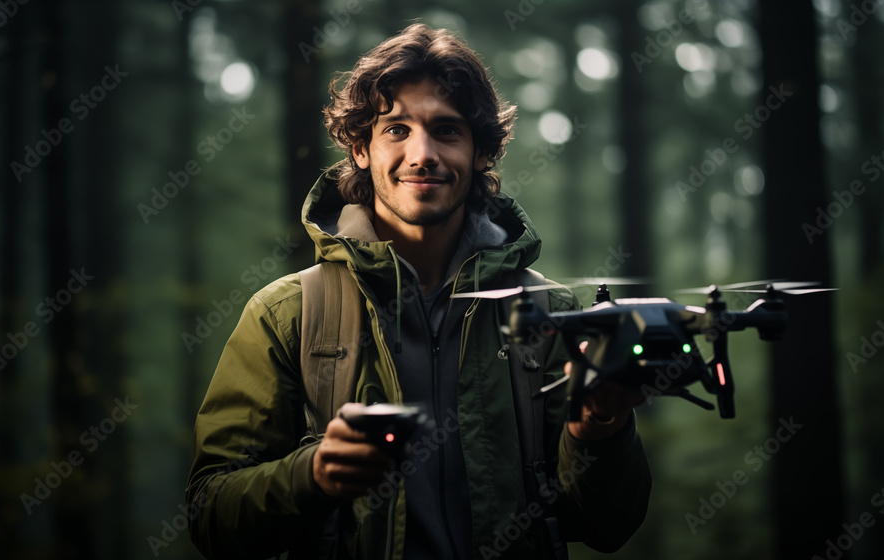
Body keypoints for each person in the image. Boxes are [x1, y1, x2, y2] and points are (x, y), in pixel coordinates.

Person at [186, 23, 651, 560]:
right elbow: (210, 516)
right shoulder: (287, 314)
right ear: (361, 148)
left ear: (481, 153)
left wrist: (600, 429)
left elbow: (608, 525)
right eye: (397, 129)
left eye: (447, 130)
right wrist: (310, 475)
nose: (422, 153)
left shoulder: (551, 315)